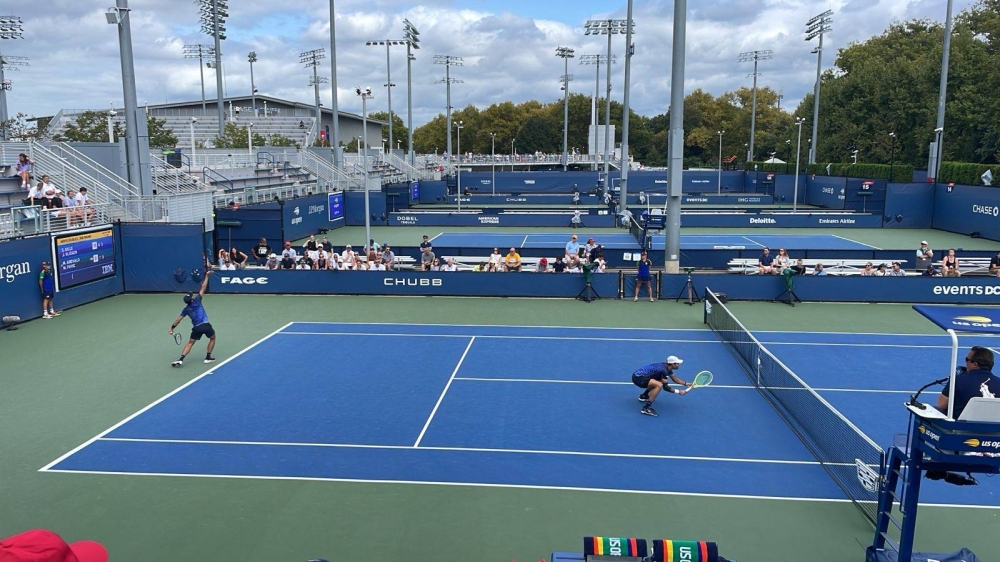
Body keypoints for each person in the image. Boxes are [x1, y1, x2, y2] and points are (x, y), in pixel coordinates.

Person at [168, 271, 216, 367]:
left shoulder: (186, 310)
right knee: (212, 338)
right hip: (206, 325)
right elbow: (203, 287)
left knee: (190, 343)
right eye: (191, 296)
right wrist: (206, 276)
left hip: (196, 328)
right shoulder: (197, 301)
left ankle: (181, 359)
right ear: (192, 299)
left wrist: (172, 328)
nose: (192, 296)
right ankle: (208, 357)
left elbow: (178, 320)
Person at [937, 346, 1000, 419]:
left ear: (975, 364)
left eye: (967, 359)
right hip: (993, 428)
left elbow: (942, 404)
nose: (965, 362)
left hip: (961, 427)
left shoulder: (957, 380)